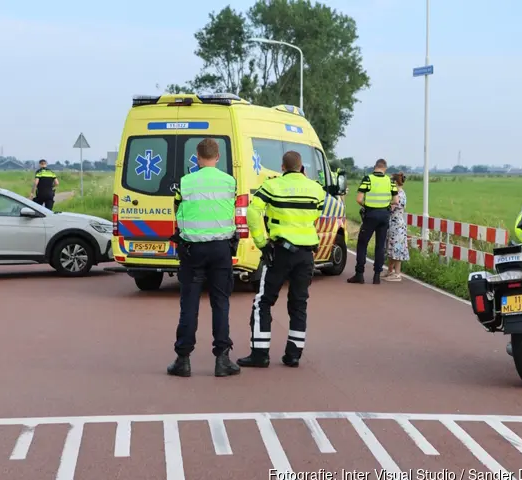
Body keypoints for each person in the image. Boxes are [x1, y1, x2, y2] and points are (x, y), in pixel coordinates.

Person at [236, 151, 326, 369]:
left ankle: (260, 354)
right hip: (306, 254)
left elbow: (253, 212)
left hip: (280, 252)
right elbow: (317, 213)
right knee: (299, 303)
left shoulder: (272, 186)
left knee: (263, 301)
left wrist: (261, 242)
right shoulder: (316, 189)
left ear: (282, 167)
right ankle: (293, 355)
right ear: (302, 168)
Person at [167, 138, 241, 378]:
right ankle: (222, 359)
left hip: (192, 250)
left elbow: (177, 211)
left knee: (189, 304)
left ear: (197, 158)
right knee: (220, 303)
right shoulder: (230, 182)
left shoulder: (185, 183)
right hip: (221, 249)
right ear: (217, 157)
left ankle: (183, 359)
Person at [347, 159, 398, 285]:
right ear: (385, 168)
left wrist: (367, 205)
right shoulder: (390, 181)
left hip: (370, 215)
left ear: (375, 167)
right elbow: (396, 200)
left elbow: (359, 199)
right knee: (380, 246)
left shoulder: (367, 179)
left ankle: (359, 274)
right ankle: (376, 276)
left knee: (362, 243)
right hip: (384, 215)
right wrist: (385, 205)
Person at [383, 172, 409, 282]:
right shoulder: (401, 193)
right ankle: (390, 270)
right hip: (395, 223)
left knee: (397, 248)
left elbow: (391, 208)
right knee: (391, 247)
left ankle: (397, 273)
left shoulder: (398, 195)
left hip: (396, 224)